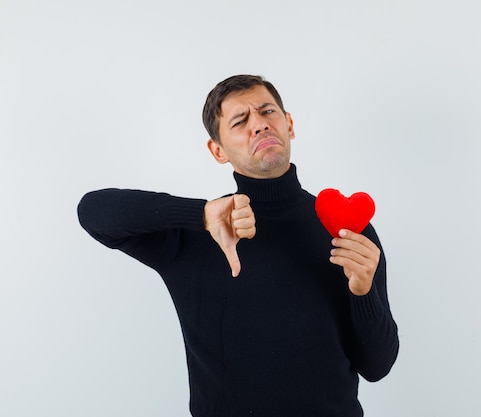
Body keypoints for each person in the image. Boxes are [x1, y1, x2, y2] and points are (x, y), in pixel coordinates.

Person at [77, 74, 399, 417]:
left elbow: (377, 367)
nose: (259, 125)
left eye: (267, 111)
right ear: (218, 150)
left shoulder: (346, 228)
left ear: (289, 124)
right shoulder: (197, 234)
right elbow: (92, 212)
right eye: (240, 121)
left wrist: (363, 294)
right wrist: (199, 214)